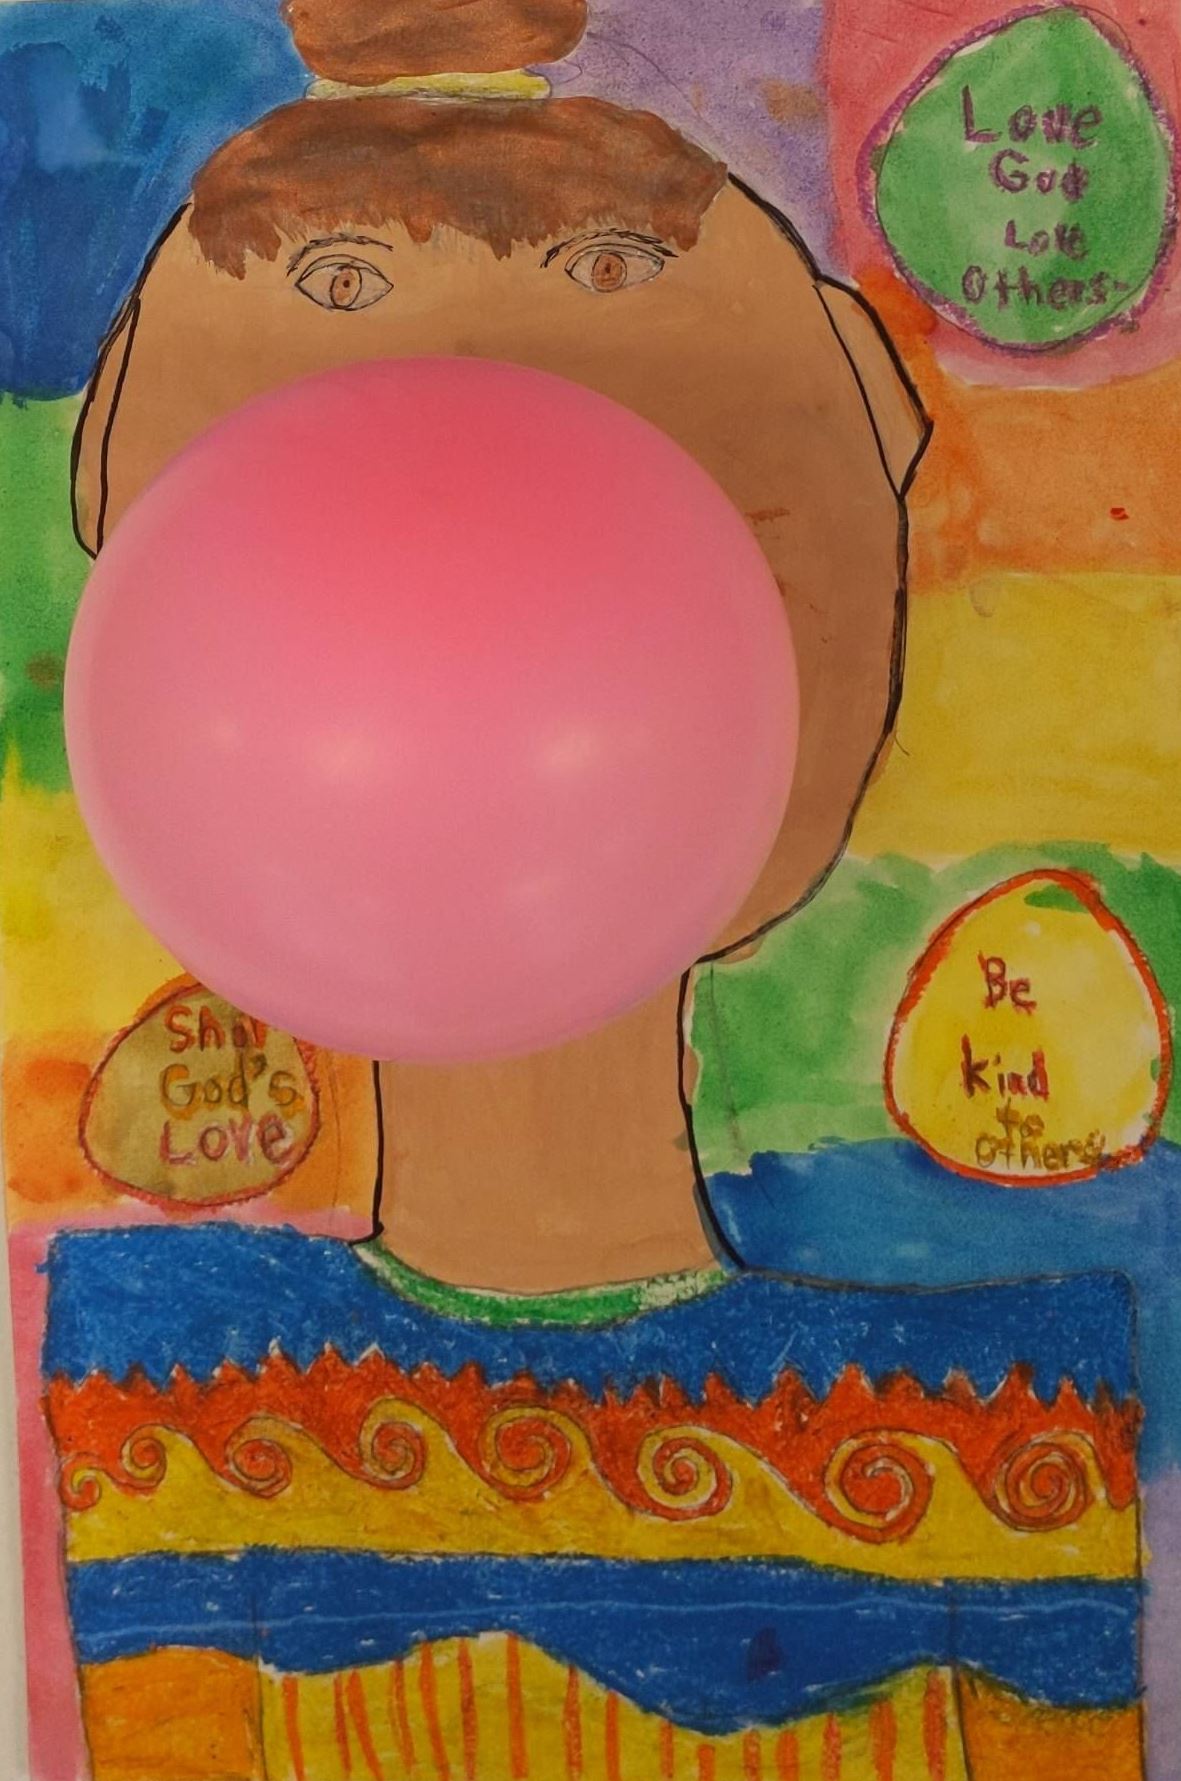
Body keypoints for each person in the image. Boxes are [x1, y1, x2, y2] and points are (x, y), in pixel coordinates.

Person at [45, 0, 1142, 1775]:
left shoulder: (1012, 1425)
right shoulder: (164, 1393)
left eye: (622, 286)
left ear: (873, 435)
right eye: (339, 296)